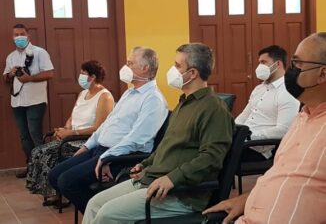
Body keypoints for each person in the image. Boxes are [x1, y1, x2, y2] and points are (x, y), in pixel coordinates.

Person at [82, 43, 234, 224]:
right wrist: (145, 164)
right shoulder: (184, 104)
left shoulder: (214, 109)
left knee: (107, 214)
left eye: (178, 66)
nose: (172, 70)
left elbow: (211, 158)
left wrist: (172, 178)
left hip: (180, 193)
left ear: (192, 73)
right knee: (94, 204)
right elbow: (166, 146)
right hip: (152, 178)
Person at [203, 32, 326, 224]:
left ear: (322, 74)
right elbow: (281, 174)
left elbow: (279, 130)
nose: (292, 70)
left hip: (257, 146)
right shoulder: (303, 117)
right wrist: (246, 199)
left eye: (298, 64)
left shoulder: (288, 98)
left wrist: (247, 137)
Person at [48, 46, 168, 214]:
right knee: (54, 176)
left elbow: (137, 139)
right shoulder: (129, 93)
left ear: (145, 68)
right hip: (100, 150)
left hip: (121, 157)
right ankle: (100, 212)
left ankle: (101, 215)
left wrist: (107, 157)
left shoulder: (153, 99)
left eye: (130, 63)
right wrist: (87, 146)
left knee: (66, 182)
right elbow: (107, 124)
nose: (125, 67)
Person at [26, 60, 114, 204]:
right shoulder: (82, 93)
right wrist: (65, 130)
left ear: (92, 77)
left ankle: (60, 192)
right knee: (38, 151)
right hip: (71, 136)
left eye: (83, 73)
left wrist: (72, 134)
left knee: (48, 153)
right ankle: (54, 191)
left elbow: (99, 127)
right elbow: (72, 117)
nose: (80, 76)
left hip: (86, 140)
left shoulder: (105, 96)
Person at [3, 23, 54, 178]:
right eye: (16, 35)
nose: (19, 37)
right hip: (17, 102)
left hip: (35, 101)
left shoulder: (39, 53)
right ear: (12, 37)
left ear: (28, 35)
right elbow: (5, 78)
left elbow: (50, 73)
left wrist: (29, 78)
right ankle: (31, 167)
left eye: (21, 34)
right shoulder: (11, 57)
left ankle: (43, 170)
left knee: (35, 135)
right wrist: (11, 74)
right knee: (24, 136)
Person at [236, 45, 300, 161]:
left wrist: (249, 137)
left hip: (258, 148)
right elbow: (244, 116)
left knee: (217, 155)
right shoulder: (259, 89)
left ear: (278, 64)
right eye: (259, 63)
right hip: (241, 142)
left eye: (264, 62)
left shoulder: (287, 92)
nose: (259, 67)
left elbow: (283, 130)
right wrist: (232, 131)